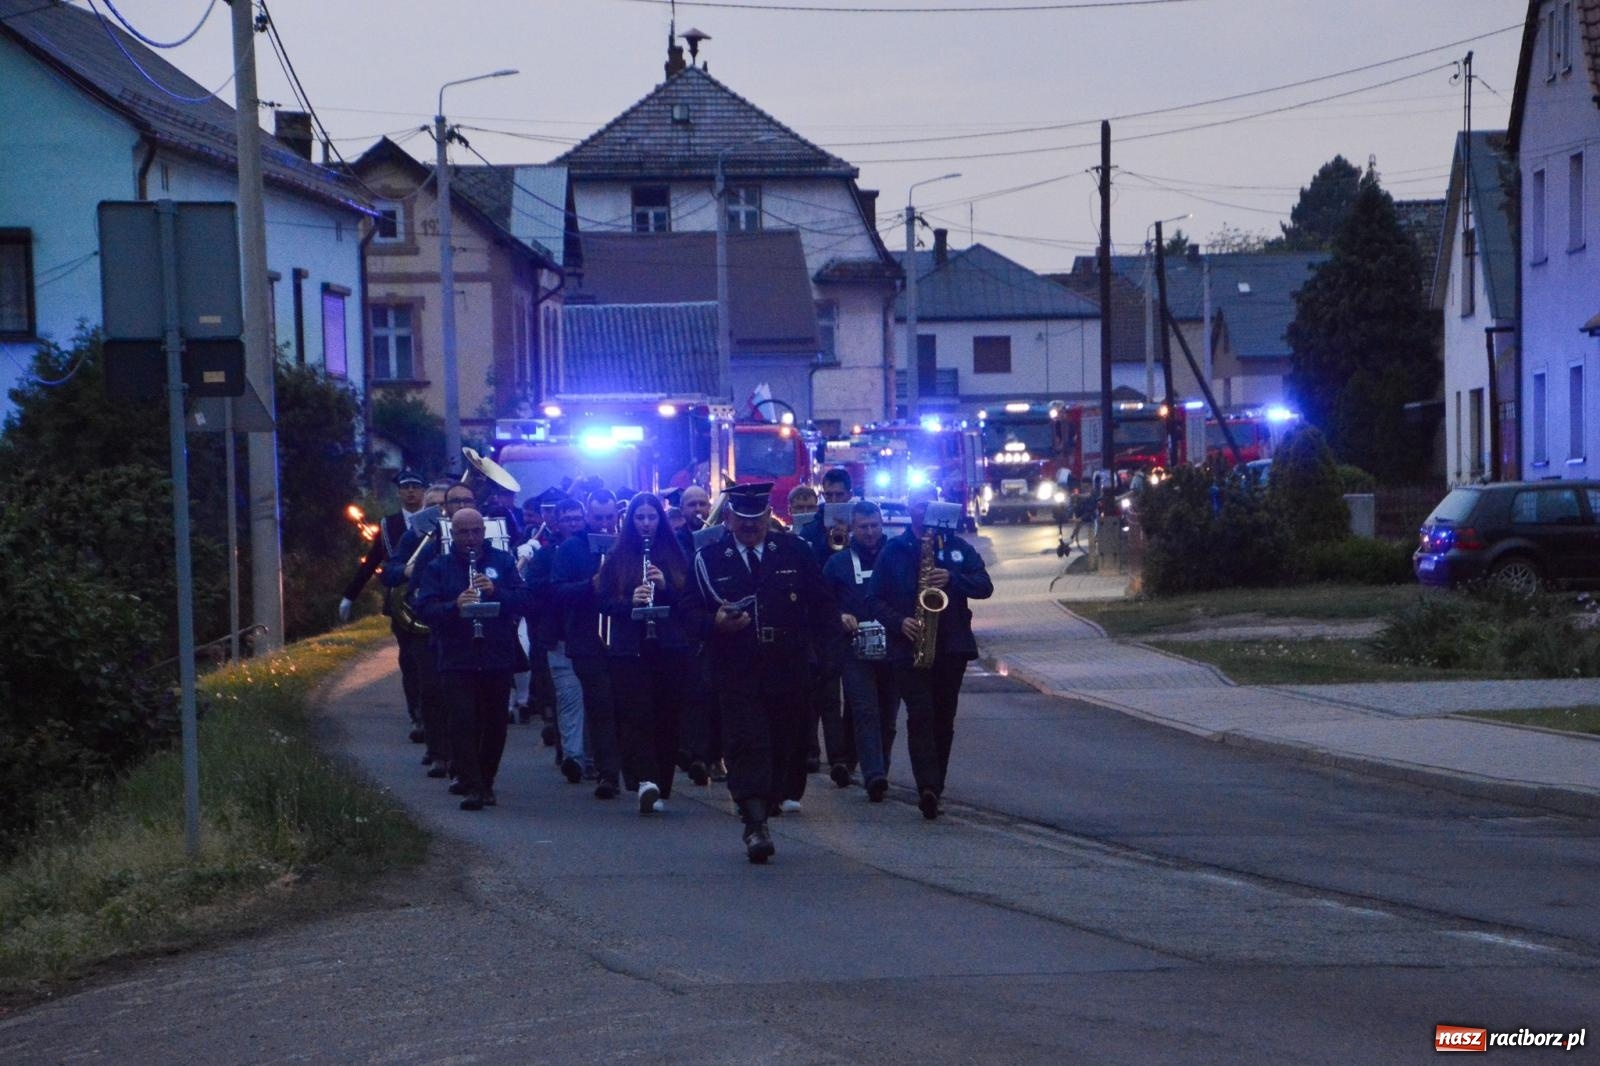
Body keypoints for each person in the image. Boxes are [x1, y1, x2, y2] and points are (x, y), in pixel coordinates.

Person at [681, 482, 841, 864]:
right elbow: (686, 612)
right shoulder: (709, 559)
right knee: (746, 741)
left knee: (785, 743)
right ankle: (754, 823)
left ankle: (765, 802)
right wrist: (714, 622)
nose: (751, 528)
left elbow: (822, 607)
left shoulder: (793, 551)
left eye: (758, 520)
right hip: (736, 667)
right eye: (743, 521)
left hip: (788, 665)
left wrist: (827, 658)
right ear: (730, 519)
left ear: (769, 517)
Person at [867, 487, 993, 820]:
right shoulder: (894, 549)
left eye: (930, 506)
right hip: (908, 646)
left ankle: (937, 784)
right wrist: (899, 622)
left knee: (943, 717)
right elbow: (874, 598)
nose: (925, 512)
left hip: (951, 646)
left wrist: (953, 578)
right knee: (920, 714)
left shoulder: (955, 547)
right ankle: (927, 787)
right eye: (919, 506)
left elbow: (985, 585)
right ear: (909, 509)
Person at [414, 508, 533, 811]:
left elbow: (525, 600)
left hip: (496, 654)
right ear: (452, 534)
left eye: (475, 532)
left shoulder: (503, 562)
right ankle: (473, 785)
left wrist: (497, 592)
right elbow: (424, 608)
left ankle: (486, 779)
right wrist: (455, 606)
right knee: (462, 722)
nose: (470, 539)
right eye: (462, 532)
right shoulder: (439, 567)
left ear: (484, 532)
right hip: (457, 656)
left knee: (495, 724)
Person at [596, 493, 694, 815]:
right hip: (629, 648)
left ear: (660, 520)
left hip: (668, 647)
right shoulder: (618, 557)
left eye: (652, 517)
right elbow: (604, 603)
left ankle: (661, 781)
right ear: (631, 522)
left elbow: (689, 605)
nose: (646, 524)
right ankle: (645, 781)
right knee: (636, 714)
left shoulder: (676, 556)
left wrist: (666, 586)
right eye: (640, 518)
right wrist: (631, 602)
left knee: (667, 714)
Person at [381, 481, 476, 778]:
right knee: (433, 690)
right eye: (438, 505)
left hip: (471, 625)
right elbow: (390, 572)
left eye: (465, 502)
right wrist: (408, 570)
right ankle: (439, 752)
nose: (453, 508)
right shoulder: (417, 538)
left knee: (467, 696)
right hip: (428, 625)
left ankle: (466, 758)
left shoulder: (478, 535)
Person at [339, 468, 431, 742]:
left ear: (424, 490)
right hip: (401, 602)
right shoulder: (389, 524)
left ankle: (433, 714)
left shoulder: (436, 520)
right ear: (399, 492)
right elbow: (373, 560)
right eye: (406, 487)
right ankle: (417, 713)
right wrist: (350, 595)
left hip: (432, 598)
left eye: (416, 486)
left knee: (432, 660)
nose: (411, 491)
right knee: (409, 658)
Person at [822, 500, 898, 802]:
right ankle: (874, 775)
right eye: (863, 527)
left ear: (882, 525)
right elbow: (822, 601)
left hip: (894, 646)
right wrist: (839, 615)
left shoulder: (895, 556)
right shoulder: (838, 563)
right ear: (852, 528)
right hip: (854, 648)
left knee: (888, 714)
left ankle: (877, 765)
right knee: (865, 708)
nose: (869, 532)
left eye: (874, 526)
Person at [553, 489, 624, 799]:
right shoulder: (570, 548)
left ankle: (625, 766)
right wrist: (590, 586)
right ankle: (607, 773)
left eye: (610, 517)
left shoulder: (626, 543)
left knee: (622, 706)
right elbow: (557, 592)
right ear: (587, 516)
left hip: (623, 637)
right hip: (586, 638)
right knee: (601, 704)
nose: (605, 523)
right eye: (599, 517)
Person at [527, 496, 589, 784]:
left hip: (591, 636)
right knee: (568, 698)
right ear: (557, 522)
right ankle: (572, 756)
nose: (574, 524)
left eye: (578, 518)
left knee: (593, 700)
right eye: (568, 519)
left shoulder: (593, 549)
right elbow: (534, 590)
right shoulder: (544, 554)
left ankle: (588, 756)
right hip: (558, 635)